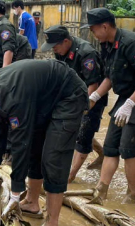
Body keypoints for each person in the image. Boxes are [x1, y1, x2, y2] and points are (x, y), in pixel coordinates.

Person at [0, 60, 87, 226]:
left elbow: (19, 144)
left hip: (68, 96)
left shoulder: (14, 99)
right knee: (35, 146)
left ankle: (52, 225)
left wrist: (16, 192)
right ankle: (32, 203)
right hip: (42, 100)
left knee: (53, 156)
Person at [83, 8, 135, 204]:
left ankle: (132, 195)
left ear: (105, 26)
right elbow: (110, 76)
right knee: (110, 147)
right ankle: (101, 189)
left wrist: (131, 104)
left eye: (93, 29)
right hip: (124, 99)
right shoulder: (107, 45)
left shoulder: (131, 43)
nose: (92, 34)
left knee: (128, 149)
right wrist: (95, 96)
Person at [41, 25, 106, 183]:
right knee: (76, 129)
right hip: (73, 95)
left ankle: (69, 177)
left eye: (55, 46)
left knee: (83, 134)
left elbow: (93, 84)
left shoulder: (86, 53)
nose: (54, 50)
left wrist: (84, 107)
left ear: (65, 41)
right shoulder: (60, 51)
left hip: (93, 97)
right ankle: (102, 154)